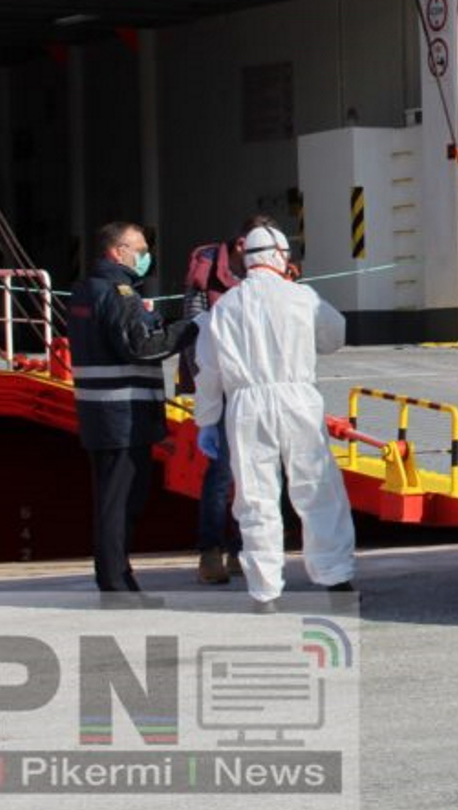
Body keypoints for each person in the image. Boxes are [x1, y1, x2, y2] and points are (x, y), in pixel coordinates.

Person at [192, 224, 353, 613]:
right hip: (297, 398)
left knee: (255, 497)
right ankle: (336, 579)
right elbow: (335, 337)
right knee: (316, 489)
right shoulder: (302, 298)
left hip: (246, 406)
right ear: (281, 256)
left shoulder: (224, 308)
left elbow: (207, 371)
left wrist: (207, 419)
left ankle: (265, 591)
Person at [69, 221, 194, 606]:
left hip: (103, 414)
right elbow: (140, 346)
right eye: (139, 249)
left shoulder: (87, 289)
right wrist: (189, 329)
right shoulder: (117, 292)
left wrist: (155, 321)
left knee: (113, 501)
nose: (145, 256)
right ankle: (116, 585)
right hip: (122, 415)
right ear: (118, 251)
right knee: (120, 503)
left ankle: (117, 578)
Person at [178, 216, 275, 585]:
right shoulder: (205, 276)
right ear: (240, 247)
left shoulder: (266, 276)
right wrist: (206, 395)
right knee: (220, 475)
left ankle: (243, 548)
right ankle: (210, 551)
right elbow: (194, 336)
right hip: (221, 387)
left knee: (257, 474)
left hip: (259, 390)